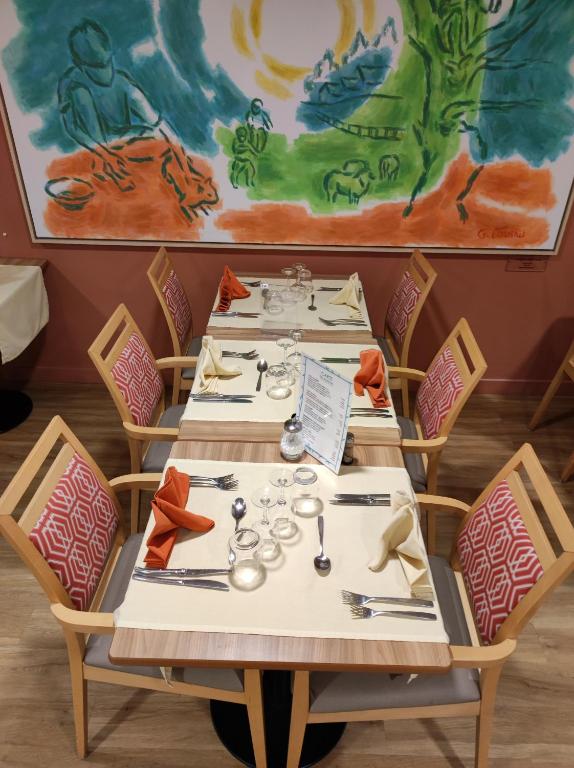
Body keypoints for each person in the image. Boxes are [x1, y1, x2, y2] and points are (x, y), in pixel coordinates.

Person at [58, 19, 169, 188]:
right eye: (97, 69)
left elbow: (154, 121)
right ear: (80, 66)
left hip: (121, 141)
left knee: (151, 130)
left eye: (106, 65)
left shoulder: (122, 81)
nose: (105, 75)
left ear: (110, 54)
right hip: (97, 150)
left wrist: (164, 140)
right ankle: (111, 169)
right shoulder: (72, 86)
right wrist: (103, 154)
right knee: (81, 96)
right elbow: (74, 128)